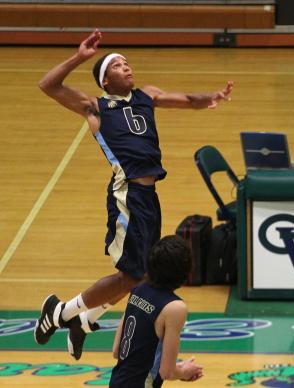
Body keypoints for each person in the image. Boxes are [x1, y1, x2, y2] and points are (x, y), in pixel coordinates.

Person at [33, 29, 233, 360]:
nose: (126, 67)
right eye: (117, 65)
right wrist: (79, 57)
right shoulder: (94, 107)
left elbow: (184, 99)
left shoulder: (146, 96)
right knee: (135, 274)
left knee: (144, 272)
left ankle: (84, 320)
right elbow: (48, 86)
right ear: (105, 80)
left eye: (127, 62)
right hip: (126, 195)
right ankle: (60, 312)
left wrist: (211, 97)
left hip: (150, 198)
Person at [109, 235, 202, 387]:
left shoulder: (137, 290)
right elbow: (167, 372)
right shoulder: (175, 308)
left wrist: (179, 368)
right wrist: (184, 371)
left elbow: (116, 350)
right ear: (185, 272)